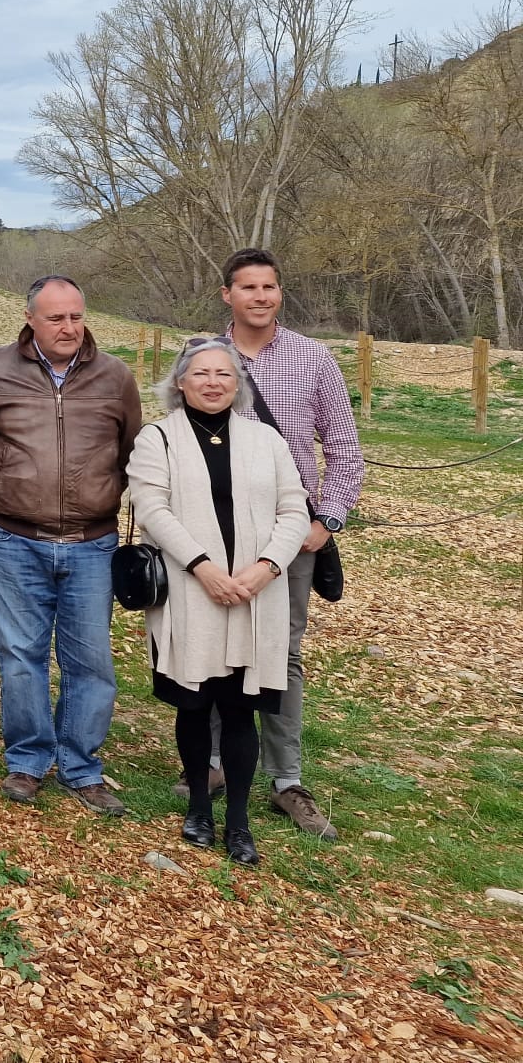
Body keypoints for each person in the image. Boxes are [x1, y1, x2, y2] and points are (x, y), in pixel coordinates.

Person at [0, 274, 143, 814]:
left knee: (90, 661)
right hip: (15, 539)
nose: (68, 327)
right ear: (31, 319)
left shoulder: (115, 376)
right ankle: (28, 761)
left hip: (92, 542)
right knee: (20, 655)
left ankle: (82, 766)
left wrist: (101, 500)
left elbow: (132, 453)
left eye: (76, 316)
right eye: (56, 317)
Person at [128, 339, 310, 864]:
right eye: (201, 373)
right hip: (192, 589)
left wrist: (266, 566)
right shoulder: (158, 439)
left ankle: (238, 822)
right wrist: (203, 567)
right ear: (180, 382)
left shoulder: (266, 440)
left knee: (239, 709)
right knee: (195, 699)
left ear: (238, 384)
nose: (213, 382)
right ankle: (200, 809)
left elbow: (294, 508)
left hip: (256, 592)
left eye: (224, 374)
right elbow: (152, 507)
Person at [205, 248, 366, 840]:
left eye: (269, 286)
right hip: (216, 528)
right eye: (247, 286)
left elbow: (346, 453)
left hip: (289, 533)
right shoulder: (206, 358)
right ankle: (216, 765)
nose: (260, 296)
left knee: (282, 653)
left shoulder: (312, 358)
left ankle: (286, 779)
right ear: (228, 294)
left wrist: (325, 522)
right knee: (219, 645)